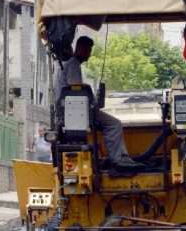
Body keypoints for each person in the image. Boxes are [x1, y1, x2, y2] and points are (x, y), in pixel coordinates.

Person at [55, 36, 141, 170]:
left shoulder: (67, 65)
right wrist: (93, 101)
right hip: (77, 113)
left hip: (71, 113)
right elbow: (76, 91)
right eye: (88, 50)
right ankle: (118, 159)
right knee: (114, 124)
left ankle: (114, 157)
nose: (89, 54)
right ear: (80, 49)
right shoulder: (73, 65)